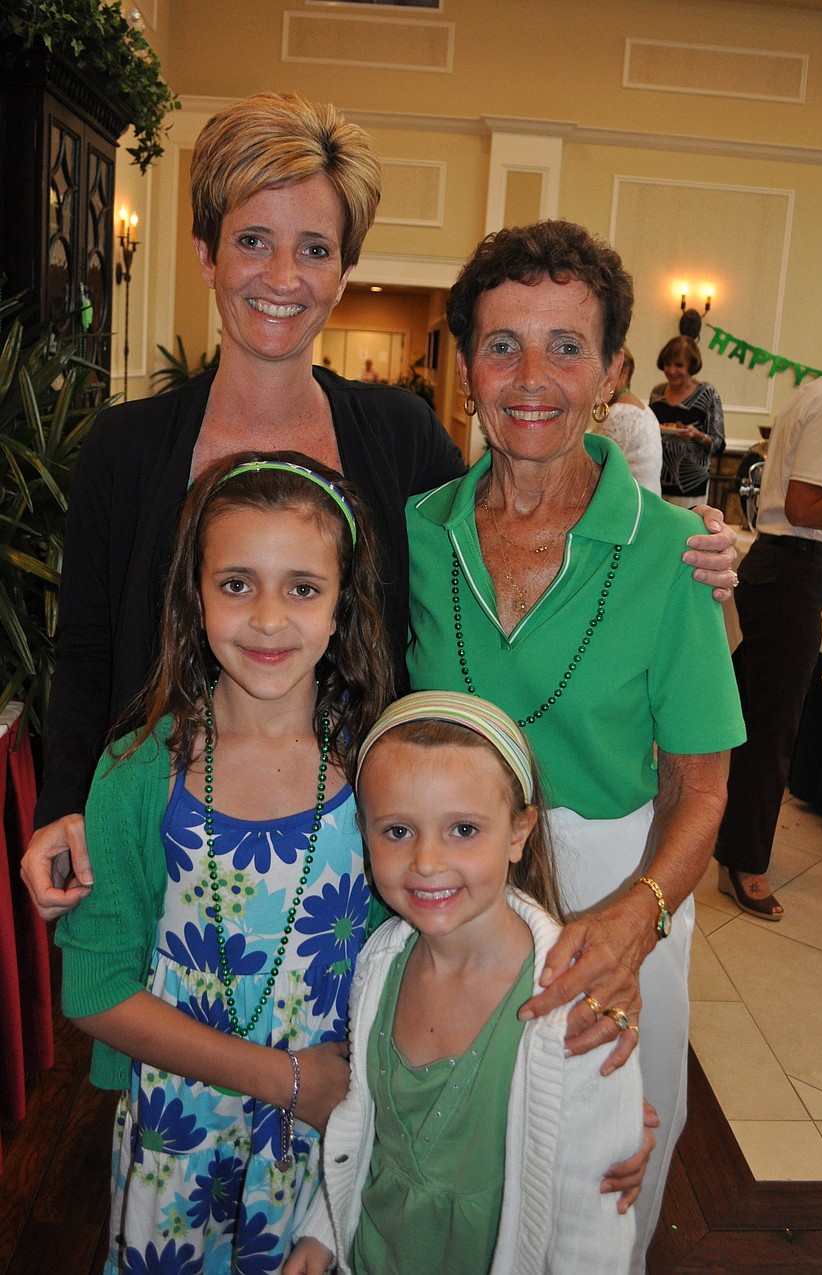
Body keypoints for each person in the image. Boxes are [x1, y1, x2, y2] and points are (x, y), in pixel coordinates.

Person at [21, 94, 737, 924]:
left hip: (361, 865)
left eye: (315, 249)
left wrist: (693, 550)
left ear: (343, 268)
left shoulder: (397, 439)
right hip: (160, 844)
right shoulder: (127, 447)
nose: (283, 277)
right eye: (254, 240)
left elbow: (510, 513)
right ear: (205, 254)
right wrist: (62, 804)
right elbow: (83, 654)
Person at [403, 220, 745, 1270]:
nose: (531, 377)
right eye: (502, 345)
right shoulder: (415, 528)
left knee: (601, 1192)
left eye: (566, 347)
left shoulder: (673, 555)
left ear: (611, 375)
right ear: (465, 369)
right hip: (445, 891)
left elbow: (699, 790)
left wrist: (632, 926)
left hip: (621, 887)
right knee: (452, 1176)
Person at [56, 454, 395, 1272]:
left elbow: (416, 970)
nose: (269, 619)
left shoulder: (382, 773)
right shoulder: (139, 773)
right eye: (237, 584)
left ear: (343, 599)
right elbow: (97, 989)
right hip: (179, 1151)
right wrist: (282, 1076)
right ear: (193, 596)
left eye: (303, 587)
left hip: (326, 1147)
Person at [284, 692, 644, 1275]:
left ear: (518, 832)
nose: (427, 861)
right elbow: (367, 1121)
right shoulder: (381, 961)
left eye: (464, 829)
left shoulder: (576, 1006)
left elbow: (593, 1223)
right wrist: (324, 1230)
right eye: (398, 831)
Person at [715, 312, 822, 920]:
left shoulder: (821, 394)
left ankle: (734, 849)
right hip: (793, 571)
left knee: (761, 721)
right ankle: (745, 863)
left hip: (787, 569)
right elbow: (804, 503)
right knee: (772, 729)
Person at [650, 334, 725, 507]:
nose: (671, 370)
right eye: (667, 364)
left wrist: (697, 435)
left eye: (679, 365)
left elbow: (719, 443)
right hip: (656, 481)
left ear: (692, 366)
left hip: (691, 484)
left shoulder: (708, 393)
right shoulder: (657, 392)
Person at [592, 345, 662, 494]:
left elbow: (594, 467)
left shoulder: (620, 413)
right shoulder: (643, 408)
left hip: (630, 503)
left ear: (623, 372)